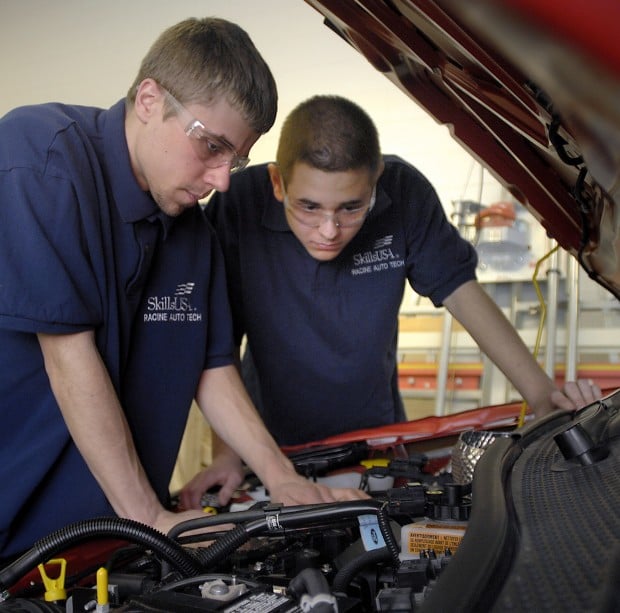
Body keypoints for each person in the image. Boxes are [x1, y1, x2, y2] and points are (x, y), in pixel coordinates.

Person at [0, 21, 366, 562]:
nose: (221, 180)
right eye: (211, 146)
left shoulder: (191, 229)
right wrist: (148, 518)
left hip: (109, 542)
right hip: (22, 537)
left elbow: (212, 368)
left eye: (236, 159)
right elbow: (67, 357)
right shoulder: (40, 161)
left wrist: (281, 478)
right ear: (149, 99)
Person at [180, 94, 602, 508]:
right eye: (308, 207)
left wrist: (542, 394)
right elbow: (220, 344)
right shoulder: (237, 205)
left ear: (376, 180)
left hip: (377, 444)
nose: (329, 230)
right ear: (277, 182)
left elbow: (462, 292)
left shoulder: (404, 195)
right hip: (268, 451)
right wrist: (227, 454)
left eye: (351, 207)